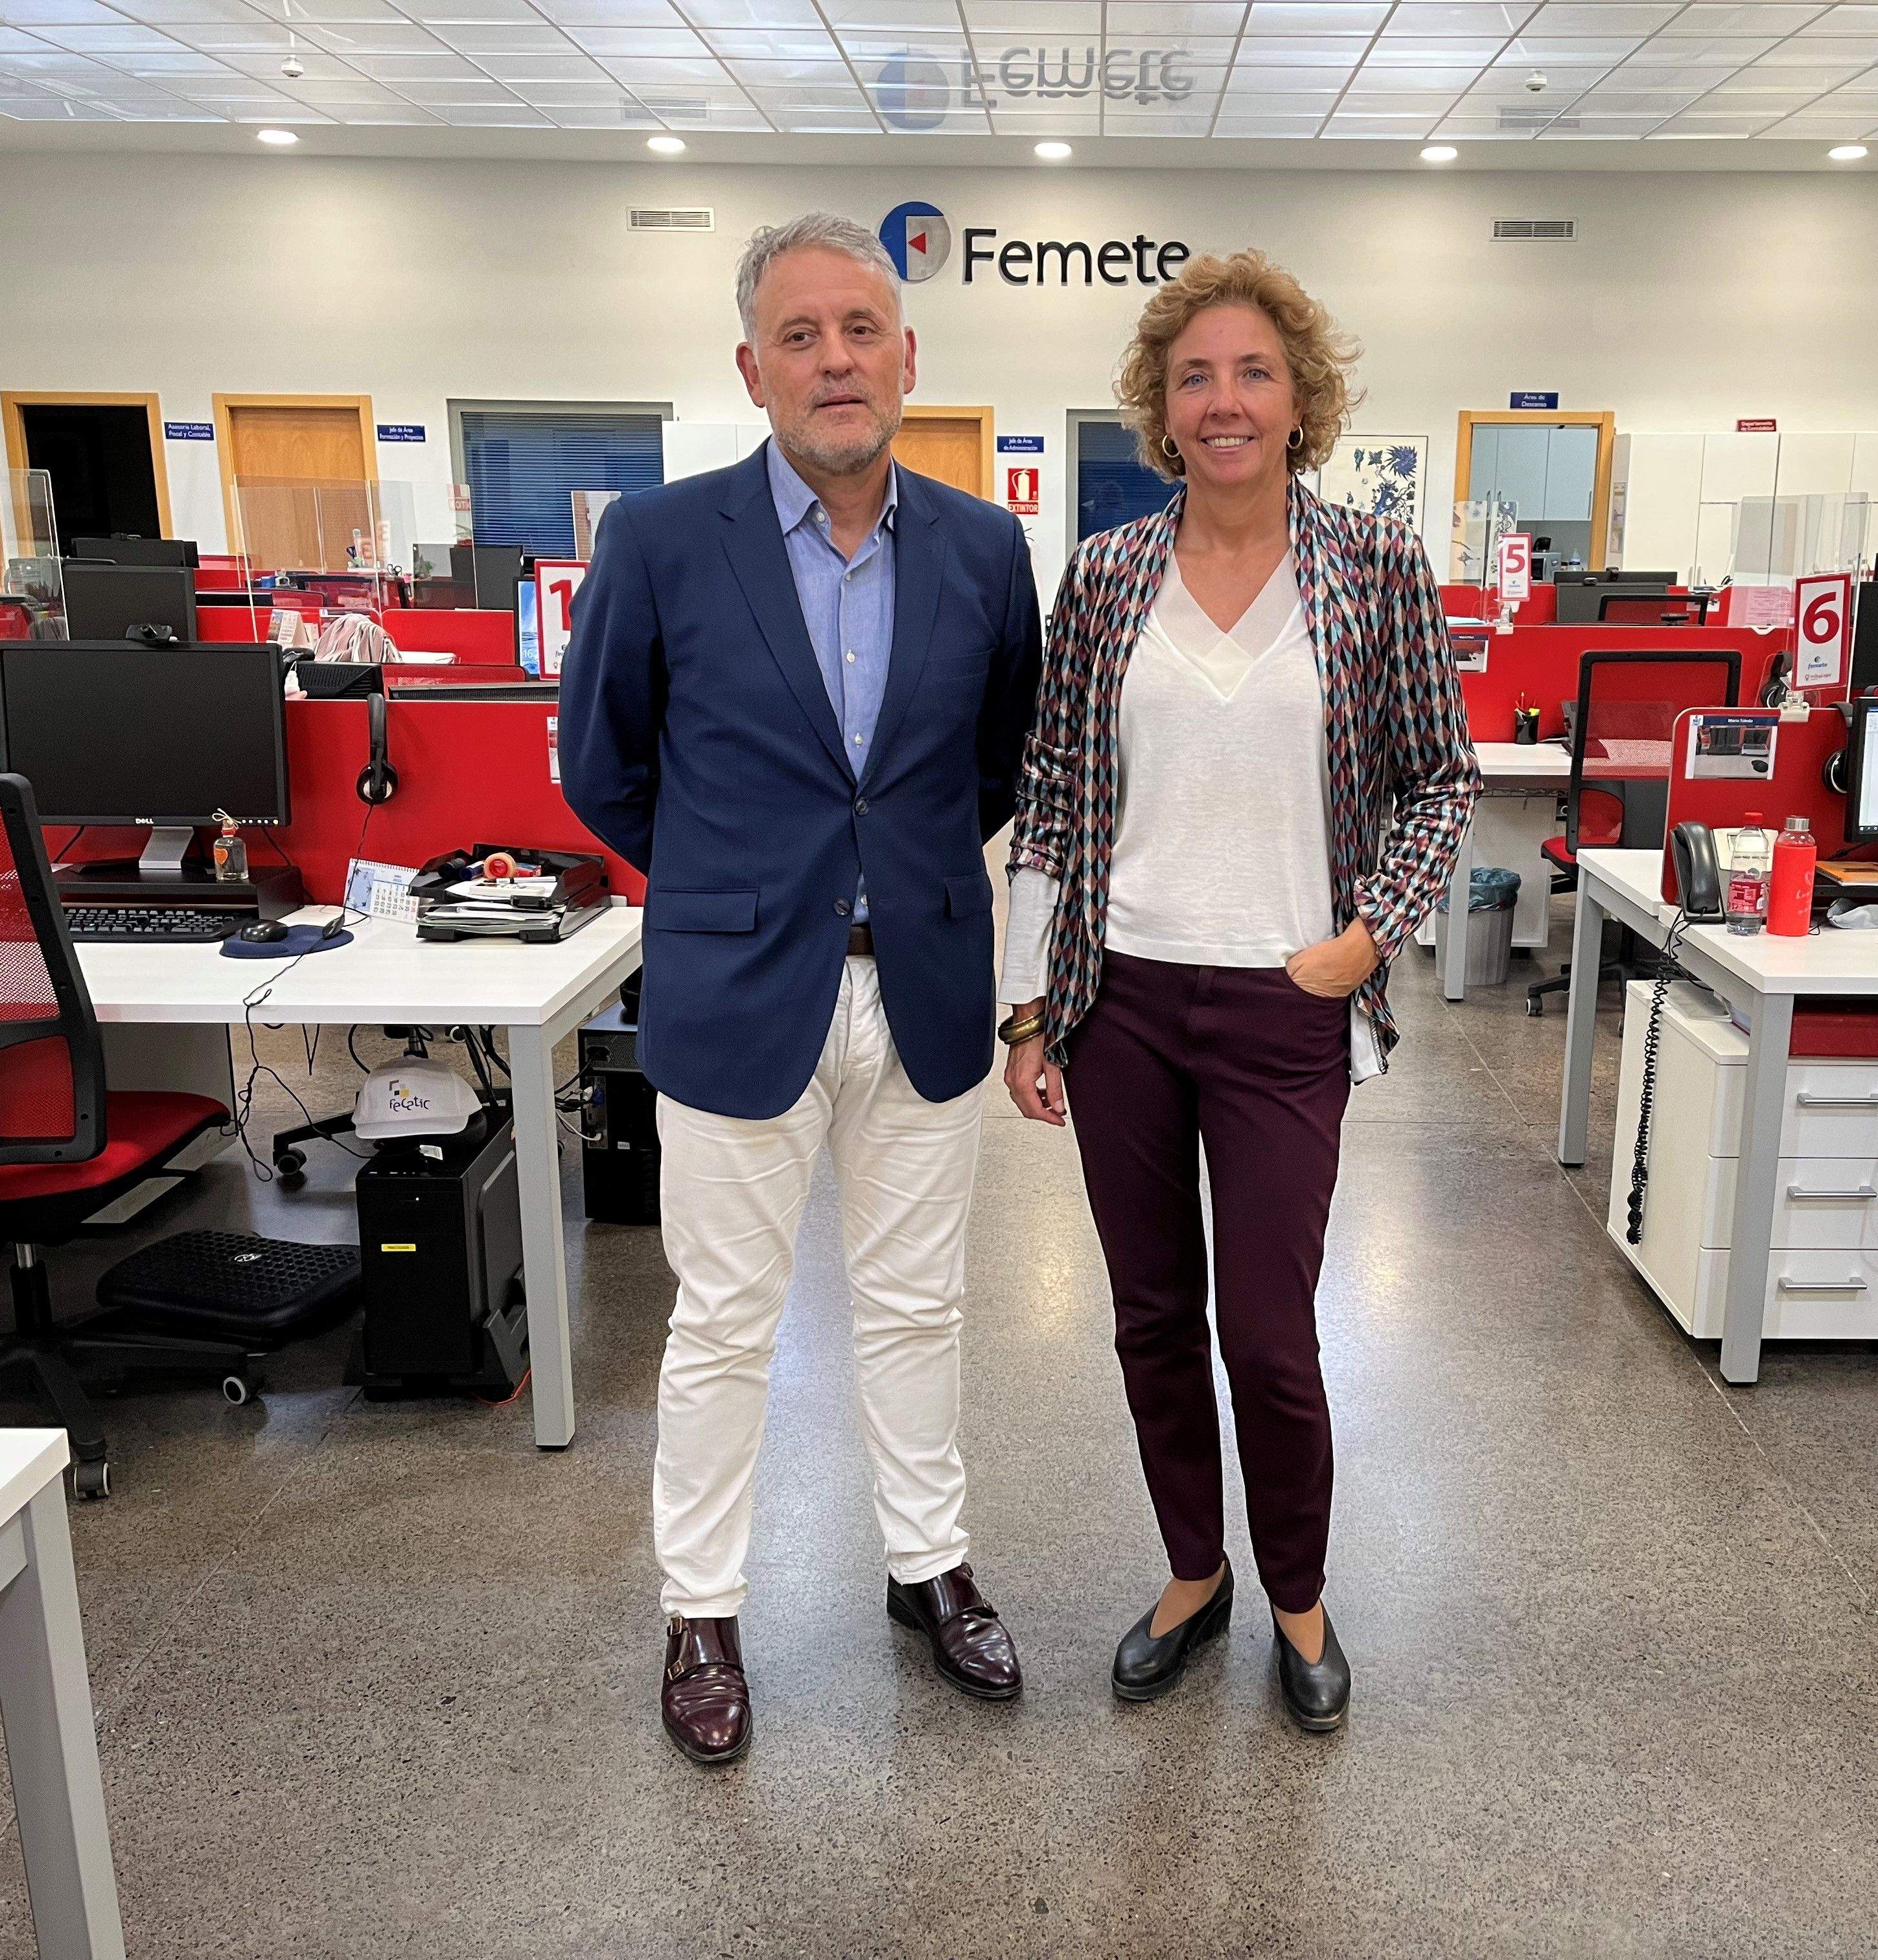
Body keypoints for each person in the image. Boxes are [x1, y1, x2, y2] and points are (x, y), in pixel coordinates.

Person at [559, 212, 1043, 1767]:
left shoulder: (982, 548)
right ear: (753, 368)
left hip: (925, 990)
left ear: (908, 357)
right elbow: (602, 767)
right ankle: (703, 1607)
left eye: (862, 330)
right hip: (736, 986)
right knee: (723, 1325)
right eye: (801, 335)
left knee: (916, 1307)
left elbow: (994, 762)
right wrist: (736, 878)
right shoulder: (659, 540)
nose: (836, 360)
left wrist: (884, 883)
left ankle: (928, 1568)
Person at [998, 250, 1476, 1733]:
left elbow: (1442, 783)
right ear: (1161, 403)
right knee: (1151, 1317)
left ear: (1298, 400)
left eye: (1252, 373)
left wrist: (1370, 935)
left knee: (1268, 1333)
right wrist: (1029, 1006)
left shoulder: (1374, 569)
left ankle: (1299, 1593)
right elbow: (1059, 794)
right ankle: (1193, 1573)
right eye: (1194, 375)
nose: (1223, 400)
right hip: (1121, 999)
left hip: (1285, 1006)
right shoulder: (1108, 575)